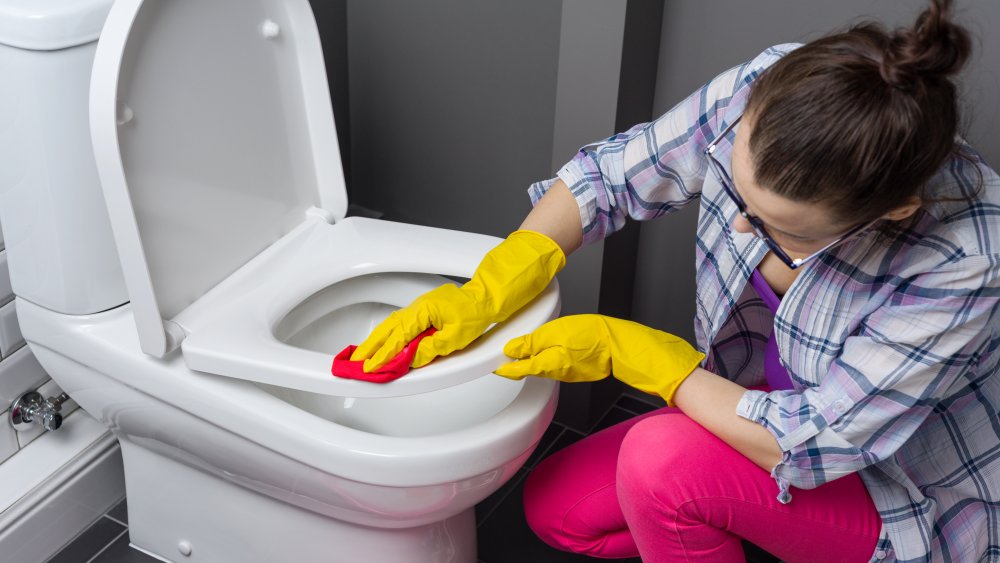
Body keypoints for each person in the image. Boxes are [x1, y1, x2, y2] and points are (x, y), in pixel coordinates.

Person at [350, 0, 1000, 560]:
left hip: (890, 486)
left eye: (784, 230)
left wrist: (647, 360)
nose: (742, 231)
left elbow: (818, 439)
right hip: (746, 411)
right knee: (559, 511)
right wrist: (493, 281)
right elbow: (611, 178)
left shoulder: (965, 259)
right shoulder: (770, 91)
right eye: (738, 198)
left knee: (660, 464)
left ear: (891, 212)